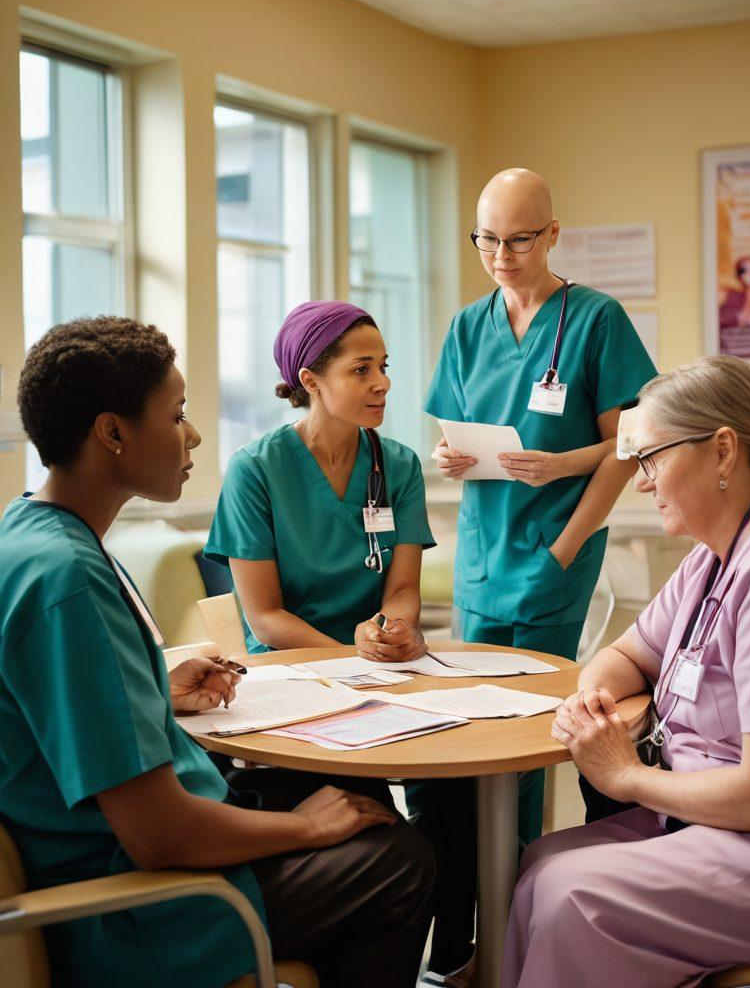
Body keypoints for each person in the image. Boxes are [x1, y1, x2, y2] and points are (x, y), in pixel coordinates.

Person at [0, 316, 435, 988]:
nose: (194, 434)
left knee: (343, 810)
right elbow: (161, 837)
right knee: (396, 858)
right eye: (176, 415)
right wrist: (304, 830)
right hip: (143, 903)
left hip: (126, 849)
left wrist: (154, 688)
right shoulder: (69, 581)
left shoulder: (29, 535)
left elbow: (53, 709)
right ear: (112, 434)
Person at [503, 354, 750, 988]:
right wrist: (594, 699)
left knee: (576, 896)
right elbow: (626, 655)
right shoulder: (715, 556)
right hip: (718, 822)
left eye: (651, 459)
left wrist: (625, 777)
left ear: (723, 452)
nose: (642, 482)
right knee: (542, 863)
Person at [205, 301, 477, 988]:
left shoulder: (399, 464)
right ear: (311, 378)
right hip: (292, 688)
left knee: (460, 795)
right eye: (363, 369)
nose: (383, 382)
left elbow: (403, 588)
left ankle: (450, 960)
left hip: (381, 674)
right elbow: (264, 618)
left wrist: (397, 626)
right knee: (381, 831)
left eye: (384, 366)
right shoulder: (255, 471)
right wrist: (349, 654)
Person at [425, 167, 656, 842]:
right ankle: (467, 903)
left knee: (527, 734)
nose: (501, 257)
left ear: (554, 234)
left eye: (519, 240)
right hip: (482, 552)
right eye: (486, 240)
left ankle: (519, 890)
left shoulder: (596, 319)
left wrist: (564, 514)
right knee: (471, 725)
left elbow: (627, 446)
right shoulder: (469, 326)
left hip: (558, 544)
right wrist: (447, 459)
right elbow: (452, 435)